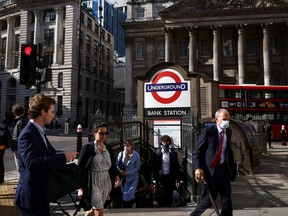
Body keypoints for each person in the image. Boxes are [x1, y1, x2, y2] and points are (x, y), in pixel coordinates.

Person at [14, 93, 77, 216]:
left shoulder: (40, 131)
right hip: (31, 199)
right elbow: (32, 163)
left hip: (40, 195)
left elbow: (51, 155)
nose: (53, 115)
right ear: (43, 112)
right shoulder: (28, 133)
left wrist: (67, 159)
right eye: (52, 112)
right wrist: (63, 157)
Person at [190, 108, 237, 216]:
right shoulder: (208, 131)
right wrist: (197, 168)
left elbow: (228, 151)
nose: (227, 122)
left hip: (223, 169)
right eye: (224, 119)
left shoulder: (228, 132)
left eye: (228, 119)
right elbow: (197, 151)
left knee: (226, 198)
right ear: (216, 119)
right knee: (208, 199)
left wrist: (232, 169)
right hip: (210, 171)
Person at [77, 122, 120, 216]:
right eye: (101, 133)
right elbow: (79, 169)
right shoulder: (88, 148)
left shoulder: (108, 147)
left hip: (106, 183)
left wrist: (117, 177)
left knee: (94, 210)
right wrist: (80, 188)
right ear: (94, 133)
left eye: (106, 133)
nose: (104, 136)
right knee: (99, 211)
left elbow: (112, 164)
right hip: (93, 182)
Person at [151, 135, 180, 207]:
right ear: (161, 143)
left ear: (169, 143)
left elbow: (176, 166)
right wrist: (154, 178)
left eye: (167, 142)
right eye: (164, 142)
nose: (165, 144)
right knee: (162, 193)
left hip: (170, 176)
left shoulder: (173, 153)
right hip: (161, 176)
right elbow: (153, 166)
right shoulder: (157, 153)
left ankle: (168, 208)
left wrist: (177, 179)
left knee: (169, 194)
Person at [116, 138, 140, 208]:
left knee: (131, 193)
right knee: (125, 196)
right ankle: (128, 209)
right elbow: (117, 164)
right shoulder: (121, 154)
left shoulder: (136, 155)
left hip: (133, 178)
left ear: (132, 145)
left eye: (128, 145)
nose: (126, 146)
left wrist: (127, 173)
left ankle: (132, 203)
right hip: (124, 179)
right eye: (125, 145)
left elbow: (137, 168)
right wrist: (120, 171)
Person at [11, 104, 28, 172]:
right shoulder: (23, 120)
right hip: (19, 146)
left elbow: (22, 136)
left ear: (14, 112)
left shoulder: (21, 121)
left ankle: (22, 181)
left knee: (20, 167)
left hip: (18, 147)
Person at [0, 120, 11, 184]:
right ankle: (1, 179)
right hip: (2, 147)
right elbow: (8, 136)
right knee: (1, 163)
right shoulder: (3, 125)